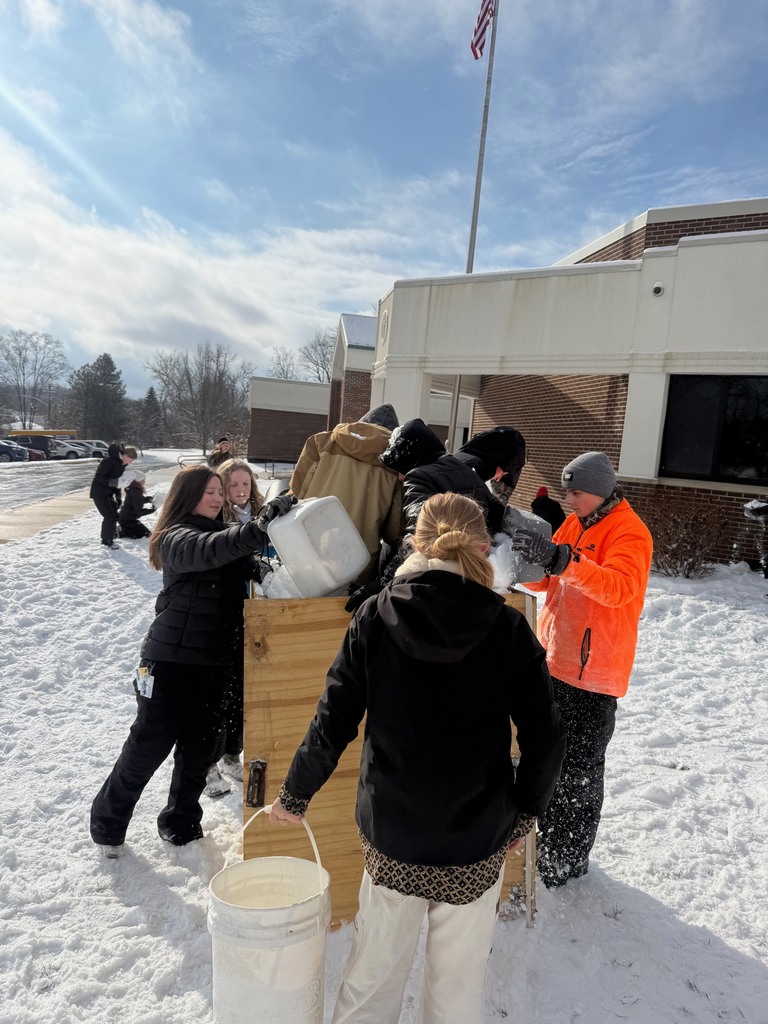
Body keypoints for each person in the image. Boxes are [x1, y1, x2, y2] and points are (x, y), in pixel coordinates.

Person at [269, 492, 566, 1024]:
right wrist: (526, 809)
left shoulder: (374, 616)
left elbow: (333, 720)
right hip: (477, 834)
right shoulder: (508, 628)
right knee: (456, 988)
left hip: (394, 830)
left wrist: (294, 795)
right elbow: (546, 737)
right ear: (483, 546)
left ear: (416, 543)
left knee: (372, 978)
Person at [89, 465, 296, 857]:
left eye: (220, 492)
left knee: (199, 753)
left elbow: (251, 565)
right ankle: (107, 821)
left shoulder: (223, 537)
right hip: (169, 663)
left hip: (214, 664)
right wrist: (256, 529)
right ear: (187, 497)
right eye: (209, 492)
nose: (218, 499)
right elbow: (209, 551)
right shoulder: (177, 536)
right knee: (148, 747)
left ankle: (180, 822)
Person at [510, 451, 653, 888]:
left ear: (601, 490)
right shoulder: (578, 523)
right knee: (548, 758)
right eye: (567, 490)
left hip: (594, 675)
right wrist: (528, 561)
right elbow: (549, 582)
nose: (568, 499)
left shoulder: (630, 532)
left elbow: (617, 589)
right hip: (555, 660)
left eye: (576, 492)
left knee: (579, 773)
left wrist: (563, 562)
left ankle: (566, 859)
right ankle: (545, 844)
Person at [346, 421, 526, 610]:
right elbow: (499, 516)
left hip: (433, 578)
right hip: (472, 573)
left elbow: (420, 533)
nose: (400, 476)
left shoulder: (419, 476)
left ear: (411, 458)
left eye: (400, 468)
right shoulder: (465, 470)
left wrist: (382, 583)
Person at [203, 458, 266, 798]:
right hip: (222, 614)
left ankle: (231, 755)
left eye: (246, 485)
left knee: (243, 692)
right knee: (218, 695)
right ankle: (207, 765)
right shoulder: (216, 522)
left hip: (253, 614)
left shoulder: (259, 516)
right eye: (233, 486)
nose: (241, 492)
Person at [289, 404, 402, 585]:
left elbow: (296, 492)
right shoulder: (395, 465)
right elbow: (394, 531)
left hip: (309, 550)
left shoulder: (321, 443)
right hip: (356, 566)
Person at [89, 442, 136, 549]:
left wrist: (118, 497)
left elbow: (118, 483)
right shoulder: (108, 462)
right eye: (131, 460)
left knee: (114, 515)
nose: (131, 462)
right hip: (99, 493)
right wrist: (112, 482)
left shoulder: (121, 464)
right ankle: (107, 541)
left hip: (109, 494)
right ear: (125, 456)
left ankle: (112, 536)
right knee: (109, 516)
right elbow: (99, 478)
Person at [118, 472, 156, 539]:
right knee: (146, 534)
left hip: (124, 518)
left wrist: (148, 499)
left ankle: (124, 529)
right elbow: (138, 512)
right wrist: (152, 510)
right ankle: (122, 531)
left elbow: (137, 501)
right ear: (138, 480)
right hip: (128, 520)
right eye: (143, 480)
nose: (144, 482)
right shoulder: (136, 492)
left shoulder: (133, 488)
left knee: (142, 532)